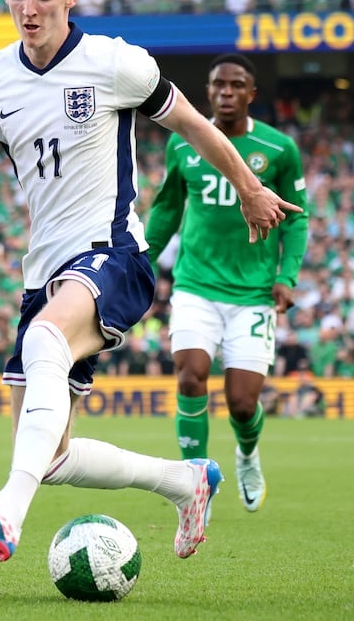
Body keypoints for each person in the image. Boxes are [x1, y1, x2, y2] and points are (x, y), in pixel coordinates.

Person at [0, 0, 301, 562]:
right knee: (48, 454)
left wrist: (249, 186)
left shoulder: (116, 63)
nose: (29, 8)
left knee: (46, 338)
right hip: (44, 274)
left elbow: (193, 126)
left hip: (111, 252)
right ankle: (185, 482)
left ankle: (6, 514)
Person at [146, 54, 309, 513]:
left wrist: (286, 276)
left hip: (253, 292)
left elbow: (297, 219)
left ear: (252, 94)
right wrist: (139, 262)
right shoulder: (183, 145)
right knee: (191, 374)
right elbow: (166, 210)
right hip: (195, 285)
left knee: (241, 403)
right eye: (219, 85)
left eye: (237, 85)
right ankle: (194, 486)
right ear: (209, 91)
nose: (227, 92)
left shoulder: (278, 150)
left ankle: (247, 453)